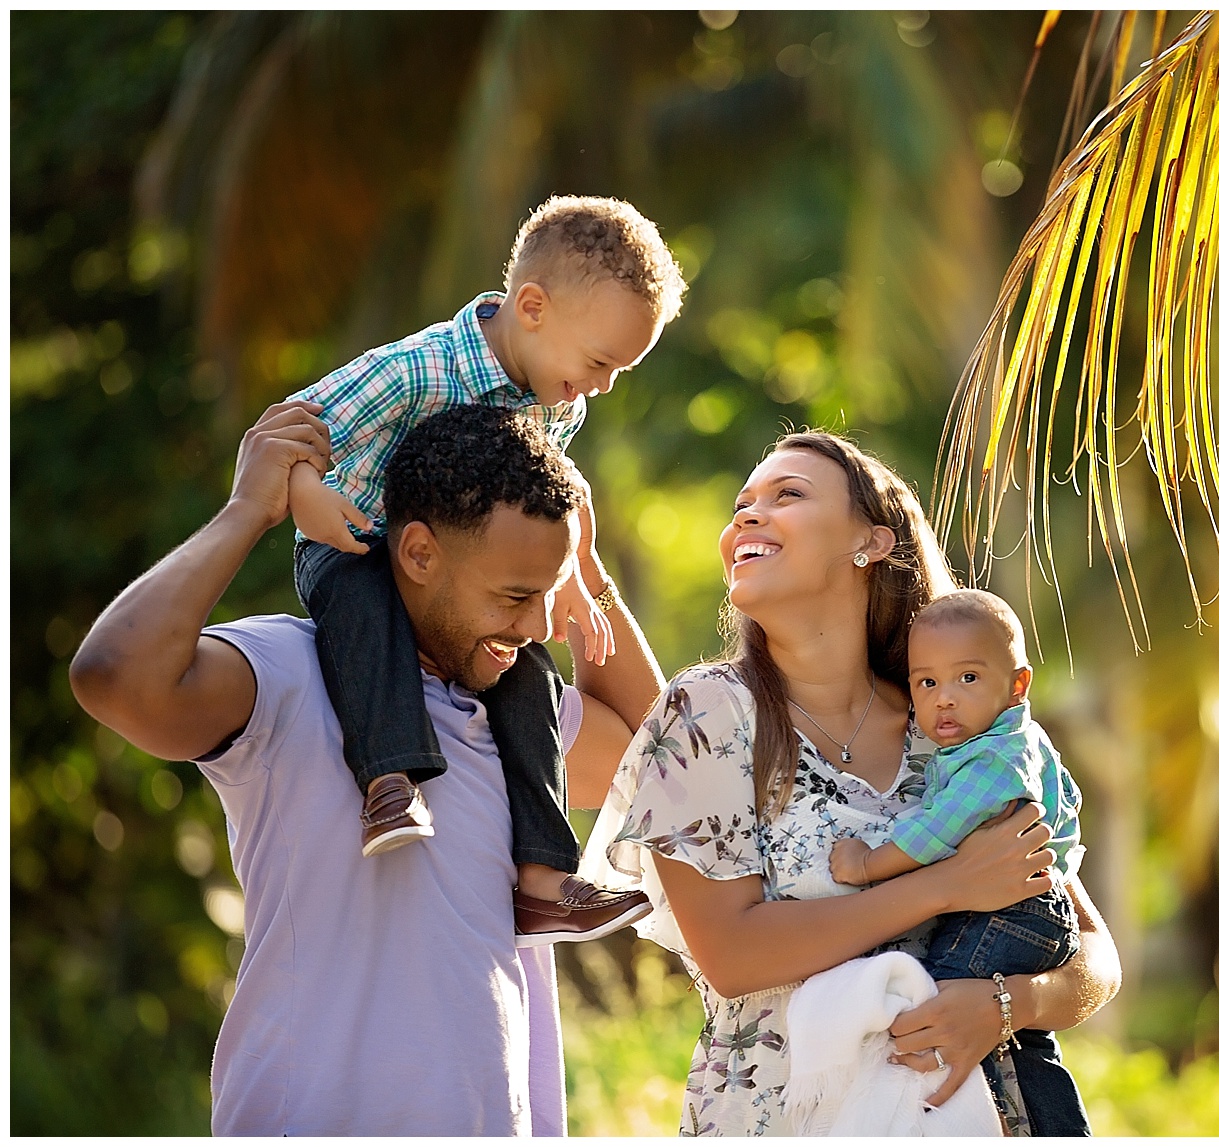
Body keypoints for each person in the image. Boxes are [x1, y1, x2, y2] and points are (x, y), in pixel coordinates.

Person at [68, 403, 667, 1134]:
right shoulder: (288, 672)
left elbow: (668, 758)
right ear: (417, 553)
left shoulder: (515, 714)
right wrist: (246, 512)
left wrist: (589, 575)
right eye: (515, 595)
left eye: (548, 592)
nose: (538, 626)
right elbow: (112, 677)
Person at [579, 431, 1122, 1136]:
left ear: (869, 542)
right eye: (741, 503)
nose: (745, 515)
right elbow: (734, 953)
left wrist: (1008, 1003)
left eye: (787, 494)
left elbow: (1091, 951)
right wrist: (945, 885)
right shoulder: (706, 711)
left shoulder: (955, 725)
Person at [286, 195, 684, 941]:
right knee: (365, 614)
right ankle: (388, 781)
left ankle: (540, 875)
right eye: (599, 362)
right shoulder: (417, 369)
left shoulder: (556, 400)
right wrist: (309, 496)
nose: (601, 386)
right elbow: (293, 426)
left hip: (465, 599)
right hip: (358, 548)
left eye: (619, 372)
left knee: (526, 678)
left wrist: (570, 580)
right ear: (531, 307)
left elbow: (535, 518)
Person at [827, 587, 1089, 1128]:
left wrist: (869, 864)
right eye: (927, 682)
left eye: (967, 678)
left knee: (938, 1011)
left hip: (1014, 916)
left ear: (1017, 686)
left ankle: (962, 1119)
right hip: (1028, 909)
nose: (944, 697)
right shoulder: (1013, 742)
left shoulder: (995, 756)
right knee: (1022, 1045)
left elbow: (940, 830)